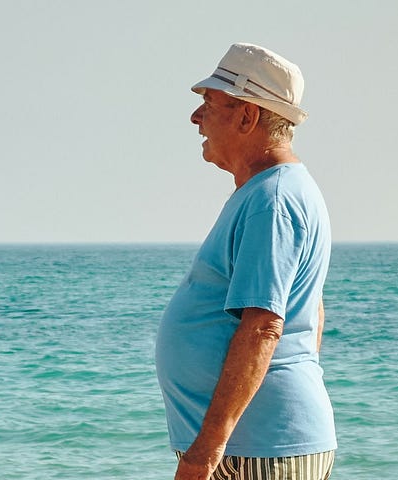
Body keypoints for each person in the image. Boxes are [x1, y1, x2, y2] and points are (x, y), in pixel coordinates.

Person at [155, 43, 336, 480]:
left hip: (254, 453)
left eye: (209, 104)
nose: (196, 118)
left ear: (247, 116)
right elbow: (312, 311)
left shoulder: (271, 200)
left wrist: (206, 451)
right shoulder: (270, 192)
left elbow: (263, 325)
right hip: (258, 446)